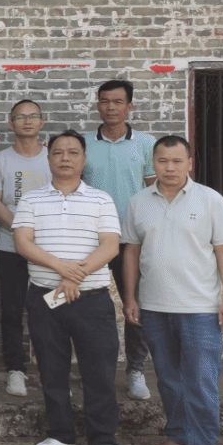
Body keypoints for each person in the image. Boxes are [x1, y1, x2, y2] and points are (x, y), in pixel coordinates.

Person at [121, 135, 223, 445]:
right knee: (168, 378)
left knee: (201, 381)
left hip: (200, 308)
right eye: (162, 161)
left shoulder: (210, 199)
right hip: (154, 307)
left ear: (190, 163)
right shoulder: (138, 202)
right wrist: (130, 298)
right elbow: (131, 251)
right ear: (153, 164)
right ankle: (178, 437)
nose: (170, 168)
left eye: (177, 161)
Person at [13, 130, 126, 445]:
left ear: (84, 159)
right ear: (48, 158)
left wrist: (74, 276)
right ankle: (61, 435)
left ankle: (104, 442)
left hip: (92, 300)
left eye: (73, 152)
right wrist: (61, 268)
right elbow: (23, 242)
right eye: (58, 152)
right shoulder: (31, 199)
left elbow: (110, 246)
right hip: (45, 299)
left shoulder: (101, 200)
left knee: (99, 372)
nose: (65, 157)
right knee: (52, 370)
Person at [82, 79, 157, 402]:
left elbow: (155, 191)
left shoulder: (146, 144)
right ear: (97, 105)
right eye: (104, 101)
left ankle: (136, 370)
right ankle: (92, 369)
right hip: (93, 239)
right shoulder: (84, 144)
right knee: (86, 305)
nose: (110, 107)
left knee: (135, 305)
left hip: (132, 240)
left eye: (117, 102)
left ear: (129, 106)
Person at [0, 99, 50, 398]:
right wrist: (23, 234)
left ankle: (49, 367)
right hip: (11, 247)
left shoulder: (52, 158)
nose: (27, 121)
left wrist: (40, 237)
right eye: (20, 117)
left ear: (41, 122)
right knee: (12, 311)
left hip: (49, 249)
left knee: (48, 309)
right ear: (11, 124)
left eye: (33, 116)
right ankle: (15, 368)